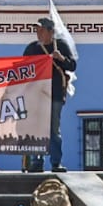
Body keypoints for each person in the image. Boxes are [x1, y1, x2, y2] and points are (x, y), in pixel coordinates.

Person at [24, 17, 77, 173]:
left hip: (54, 94)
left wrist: (60, 58)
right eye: (37, 30)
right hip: (36, 95)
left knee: (53, 129)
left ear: (51, 32)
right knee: (36, 128)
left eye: (41, 30)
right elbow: (22, 69)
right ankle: (36, 162)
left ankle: (56, 163)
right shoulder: (32, 49)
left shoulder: (60, 46)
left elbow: (72, 66)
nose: (38, 33)